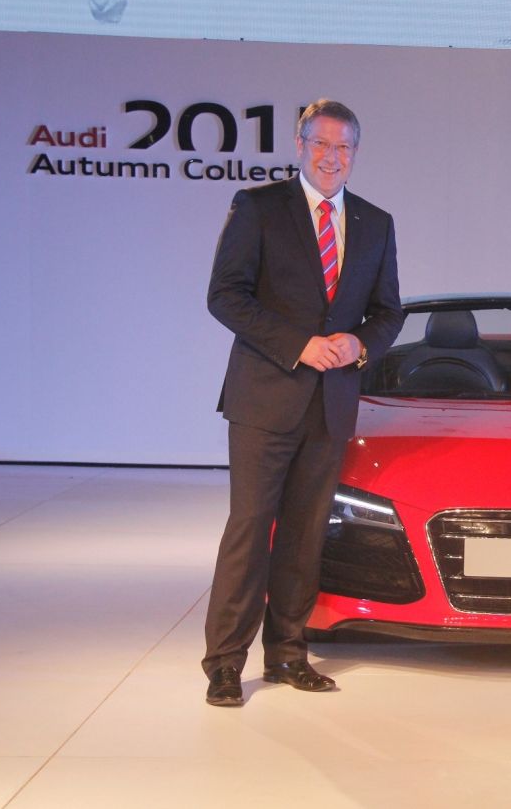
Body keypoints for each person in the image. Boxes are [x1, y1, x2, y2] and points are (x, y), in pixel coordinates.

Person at [202, 99, 403, 706]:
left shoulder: (375, 222)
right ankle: (225, 664)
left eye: (343, 147)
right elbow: (225, 296)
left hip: (330, 403)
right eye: (321, 144)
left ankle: (288, 653)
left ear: (355, 153)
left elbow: (388, 312)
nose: (331, 157)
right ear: (299, 145)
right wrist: (299, 346)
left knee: (305, 533)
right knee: (249, 530)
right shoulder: (259, 208)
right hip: (264, 400)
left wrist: (359, 344)